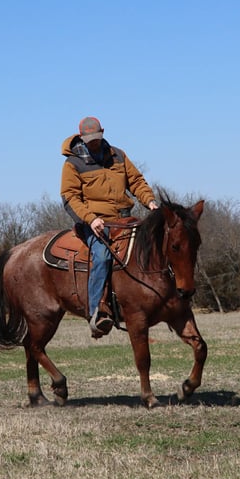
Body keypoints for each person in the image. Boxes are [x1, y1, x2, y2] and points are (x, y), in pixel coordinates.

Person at [61, 116, 159, 338]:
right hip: (95, 223)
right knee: (102, 256)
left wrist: (150, 201)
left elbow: (136, 181)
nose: (94, 142)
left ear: (103, 132)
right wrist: (91, 219)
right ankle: (97, 311)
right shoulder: (73, 163)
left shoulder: (118, 155)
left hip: (124, 219)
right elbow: (70, 197)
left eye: (97, 137)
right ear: (81, 137)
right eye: (90, 139)